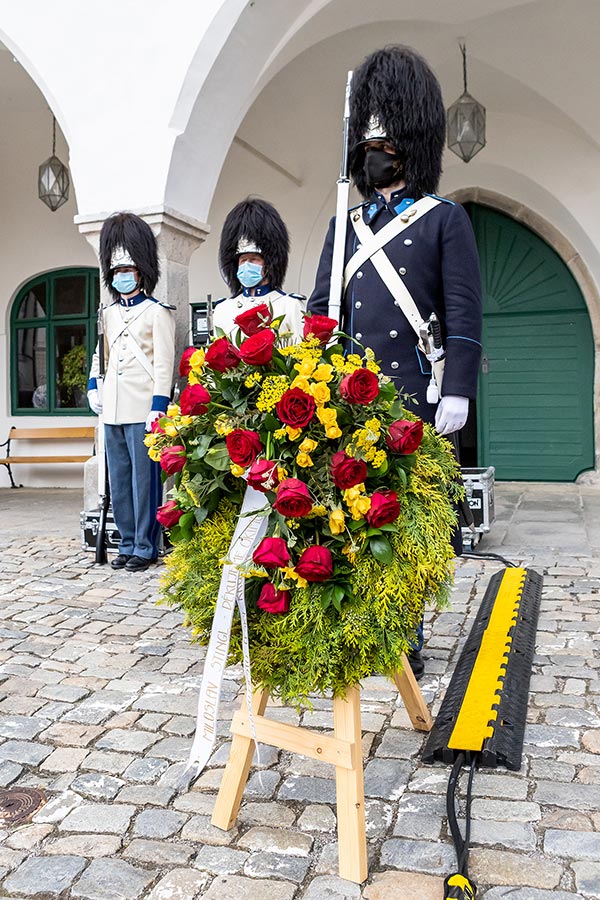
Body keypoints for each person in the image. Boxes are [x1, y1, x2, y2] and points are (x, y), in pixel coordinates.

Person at [308, 45, 483, 677]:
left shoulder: (445, 220)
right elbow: (323, 308)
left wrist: (457, 389)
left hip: (414, 392)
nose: (374, 155)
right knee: (351, 511)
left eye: (384, 142)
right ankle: (359, 621)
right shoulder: (343, 224)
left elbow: (463, 312)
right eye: (367, 144)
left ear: (409, 147)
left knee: (402, 519)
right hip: (351, 394)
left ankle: (404, 629)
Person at [87, 212, 176, 572]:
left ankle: (145, 544)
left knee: (144, 482)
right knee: (119, 482)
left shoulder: (158, 313)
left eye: (128, 270)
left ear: (141, 273)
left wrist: (159, 405)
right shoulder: (107, 314)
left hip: (143, 409)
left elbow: (164, 365)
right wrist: (94, 385)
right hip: (113, 408)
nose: (122, 277)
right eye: (117, 272)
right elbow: (100, 354)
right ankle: (125, 541)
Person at [214, 197, 305, 339]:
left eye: (254, 259)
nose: (247, 265)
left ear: (269, 263)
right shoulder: (222, 309)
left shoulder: (290, 306)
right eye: (243, 260)